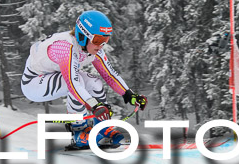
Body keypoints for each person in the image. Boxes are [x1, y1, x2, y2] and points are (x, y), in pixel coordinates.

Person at [21, 10, 147, 148]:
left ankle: (102, 129)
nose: (101, 45)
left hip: (54, 77)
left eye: (105, 40)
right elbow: (72, 84)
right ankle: (79, 132)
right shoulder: (65, 47)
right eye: (98, 40)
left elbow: (109, 75)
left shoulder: (93, 48)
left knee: (95, 82)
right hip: (34, 82)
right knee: (78, 82)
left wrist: (130, 94)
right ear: (83, 36)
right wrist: (95, 106)